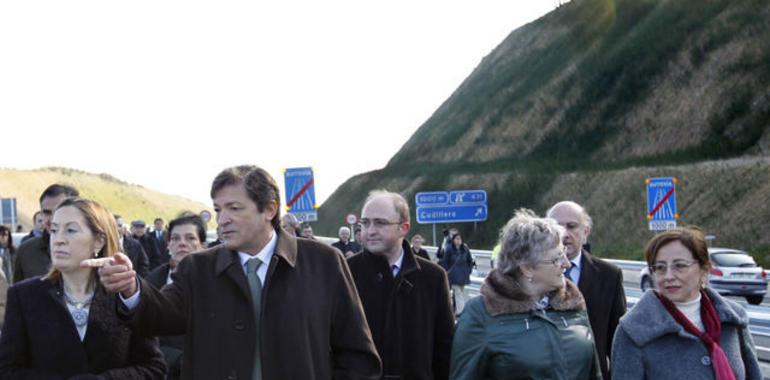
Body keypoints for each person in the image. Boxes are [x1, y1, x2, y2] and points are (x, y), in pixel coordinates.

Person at [88, 165, 381, 379]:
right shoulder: (197, 268)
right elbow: (160, 316)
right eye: (218, 210)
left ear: (269, 209)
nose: (223, 220)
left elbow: (358, 355)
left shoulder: (324, 263)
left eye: (234, 208)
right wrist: (131, 287)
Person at [0, 198, 166, 379]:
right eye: (54, 230)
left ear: (99, 241)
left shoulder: (126, 294)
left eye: (70, 230)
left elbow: (154, 368)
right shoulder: (24, 295)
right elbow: (8, 370)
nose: (58, 240)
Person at [449, 209, 601, 379]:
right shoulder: (482, 314)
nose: (566, 263)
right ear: (527, 268)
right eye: (557, 258)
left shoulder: (573, 304)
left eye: (564, 254)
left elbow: (594, 373)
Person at [612, 227, 761, 379]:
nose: (668, 276)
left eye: (680, 265)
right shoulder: (634, 331)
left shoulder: (733, 320)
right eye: (660, 268)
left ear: (704, 270)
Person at [348, 191, 454, 379]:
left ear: (403, 228)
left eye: (380, 223)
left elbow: (444, 348)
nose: (370, 230)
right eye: (365, 223)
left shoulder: (434, 277)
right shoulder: (345, 272)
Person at [547, 200, 626, 380]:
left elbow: (618, 342)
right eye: (557, 227)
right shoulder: (532, 275)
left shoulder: (609, 276)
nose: (564, 233)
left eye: (572, 226)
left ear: (585, 232)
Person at [146, 212, 207, 380]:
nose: (182, 244)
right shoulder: (150, 282)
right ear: (168, 245)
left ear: (203, 245)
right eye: (175, 238)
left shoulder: (219, 282)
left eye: (190, 238)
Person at [14, 184, 80, 283]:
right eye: (47, 212)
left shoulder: (89, 249)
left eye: (60, 211)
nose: (54, 218)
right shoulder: (26, 251)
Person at [439, 231, 474, 315]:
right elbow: (445, 262)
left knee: (462, 292)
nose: (458, 240)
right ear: (453, 240)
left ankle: (460, 310)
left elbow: (470, 260)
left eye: (460, 239)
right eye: (457, 239)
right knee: (458, 292)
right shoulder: (449, 249)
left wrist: (469, 270)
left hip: (464, 274)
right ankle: (461, 312)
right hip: (453, 275)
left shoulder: (465, 248)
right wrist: (446, 272)